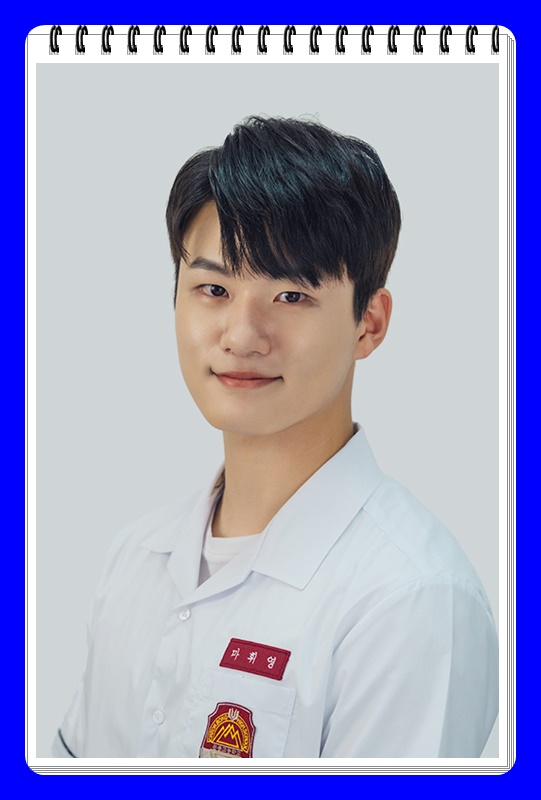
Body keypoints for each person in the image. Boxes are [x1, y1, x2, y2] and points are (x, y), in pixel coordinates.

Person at [52, 116, 498, 758]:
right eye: (213, 289)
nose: (240, 336)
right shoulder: (134, 558)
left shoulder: (413, 599)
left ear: (369, 323)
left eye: (290, 295)